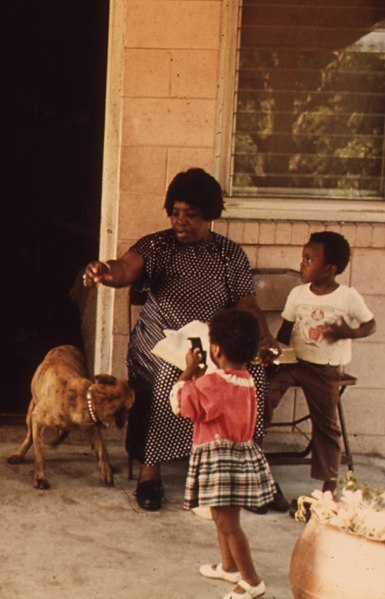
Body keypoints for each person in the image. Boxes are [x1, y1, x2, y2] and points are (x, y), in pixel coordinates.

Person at [83, 167, 281, 512]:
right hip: (162, 341)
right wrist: (105, 272)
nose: (181, 222)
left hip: (212, 342)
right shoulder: (158, 245)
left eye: (191, 214)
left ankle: (251, 475)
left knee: (253, 377)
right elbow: (126, 268)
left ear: (209, 215)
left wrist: (261, 337)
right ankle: (150, 474)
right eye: (175, 213)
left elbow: (247, 302)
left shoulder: (228, 254)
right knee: (167, 378)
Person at [170, 308, 274, 599]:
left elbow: (180, 404)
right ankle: (229, 567)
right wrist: (201, 379)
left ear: (215, 348)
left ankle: (252, 581)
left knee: (229, 524)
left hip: (221, 462)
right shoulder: (246, 380)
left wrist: (188, 372)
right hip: (237, 459)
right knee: (222, 518)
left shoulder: (211, 384)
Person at [265, 231, 376, 497]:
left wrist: (349, 333)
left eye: (308, 259)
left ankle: (329, 482)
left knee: (326, 424)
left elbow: (370, 324)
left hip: (325, 369)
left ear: (329, 268)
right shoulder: (298, 294)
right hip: (294, 364)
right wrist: (275, 355)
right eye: (302, 258)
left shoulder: (347, 297)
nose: (302, 264)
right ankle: (254, 457)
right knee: (264, 396)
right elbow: (285, 329)